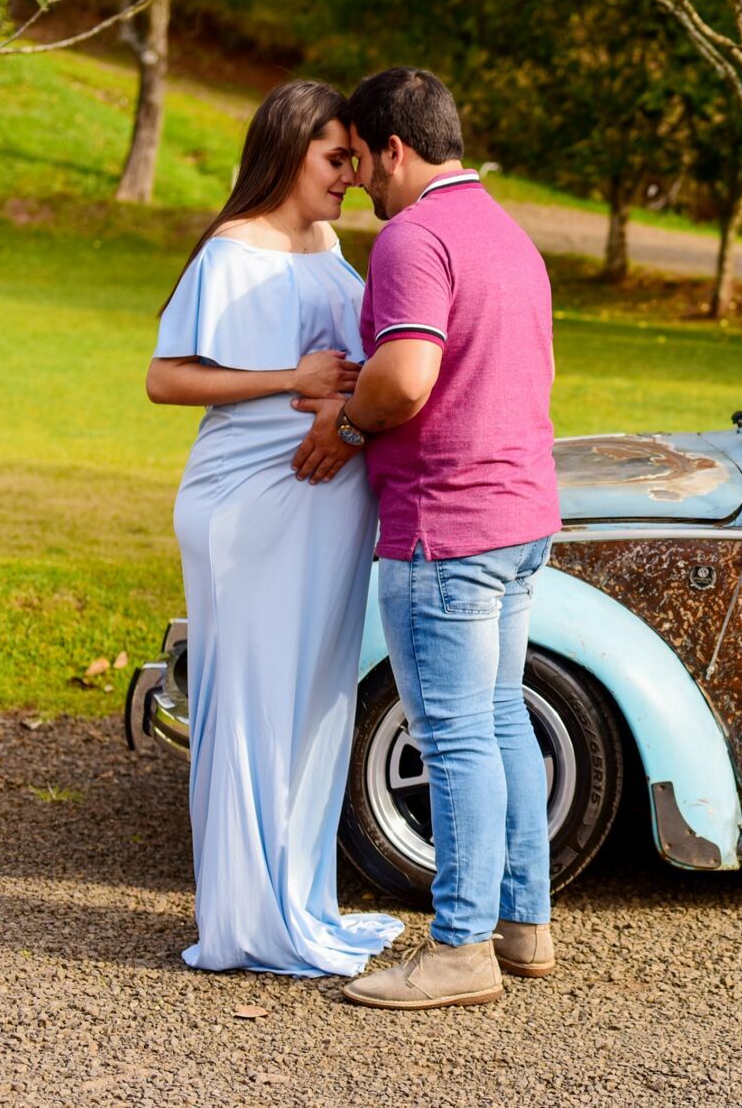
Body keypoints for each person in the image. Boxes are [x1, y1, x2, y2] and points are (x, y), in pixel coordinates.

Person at [287, 67, 562, 1011]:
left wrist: (346, 425)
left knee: (453, 740)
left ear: (393, 148)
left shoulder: (415, 236)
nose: (357, 178)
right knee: (496, 719)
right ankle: (525, 925)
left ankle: (460, 950)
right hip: (520, 519)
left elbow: (405, 380)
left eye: (360, 157)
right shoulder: (506, 231)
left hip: (446, 527)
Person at [146, 80, 405, 976]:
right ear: (290, 148)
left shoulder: (328, 243)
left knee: (313, 702)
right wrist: (283, 378)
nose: (351, 174)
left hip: (327, 503)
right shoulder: (231, 251)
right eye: (337, 157)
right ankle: (245, 920)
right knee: (253, 703)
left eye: (356, 159)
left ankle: (297, 898)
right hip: (251, 502)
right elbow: (166, 380)